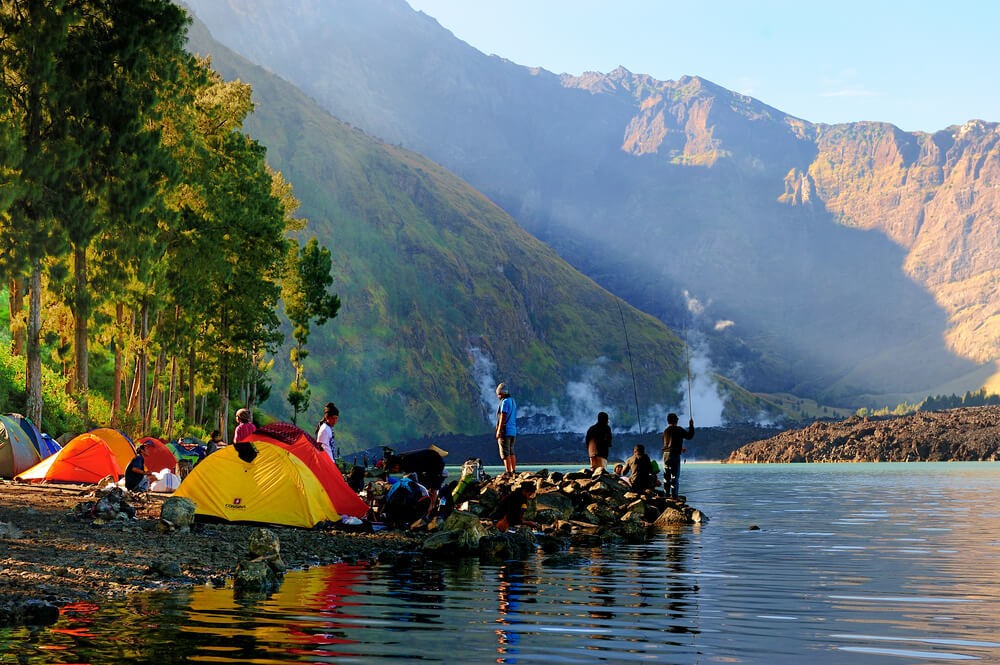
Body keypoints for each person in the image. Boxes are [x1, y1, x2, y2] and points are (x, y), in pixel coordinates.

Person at [386, 448, 446, 521]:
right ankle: (428, 507)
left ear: (396, 466)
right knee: (424, 486)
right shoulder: (402, 459)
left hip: (435, 462)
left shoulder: (406, 463)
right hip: (427, 463)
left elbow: (416, 475)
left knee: (434, 488)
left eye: (392, 470)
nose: (393, 472)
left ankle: (430, 509)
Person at [661, 413, 695, 499]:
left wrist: (679, 448)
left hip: (665, 455)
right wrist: (691, 425)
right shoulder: (678, 429)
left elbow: (668, 444)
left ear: (668, 421)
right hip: (674, 455)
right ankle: (674, 496)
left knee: (666, 475)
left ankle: (666, 495)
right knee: (674, 476)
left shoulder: (665, 431)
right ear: (676, 421)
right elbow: (689, 436)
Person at [495, 383, 518, 475]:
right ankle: (513, 470)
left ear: (503, 393)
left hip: (505, 431)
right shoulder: (513, 401)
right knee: (511, 451)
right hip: (513, 431)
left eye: (499, 394)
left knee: (505, 453)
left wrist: (499, 430)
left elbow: (503, 416)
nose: (498, 396)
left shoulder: (504, 402)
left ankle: (508, 472)